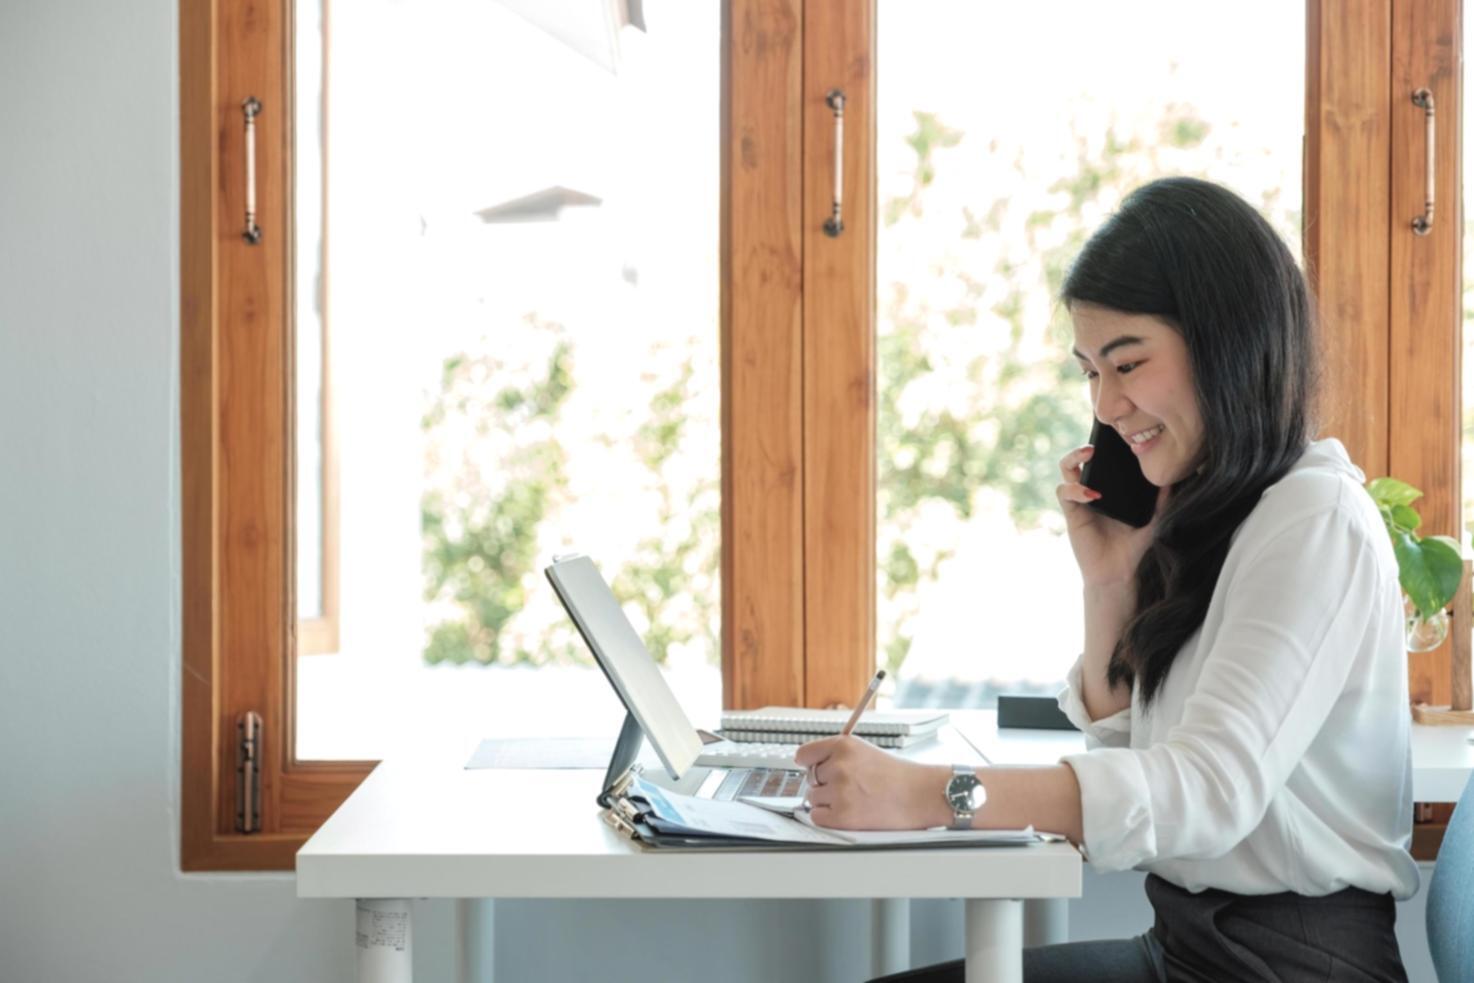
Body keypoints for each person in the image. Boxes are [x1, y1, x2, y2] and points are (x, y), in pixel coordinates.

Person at [795, 176, 1418, 982]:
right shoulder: (1224, 514)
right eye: (1090, 371)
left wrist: (928, 793)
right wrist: (1109, 584)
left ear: (1226, 343)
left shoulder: (1314, 518)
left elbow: (1200, 794)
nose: (1108, 403)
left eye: (1127, 363)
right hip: (1189, 952)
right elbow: (1132, 748)